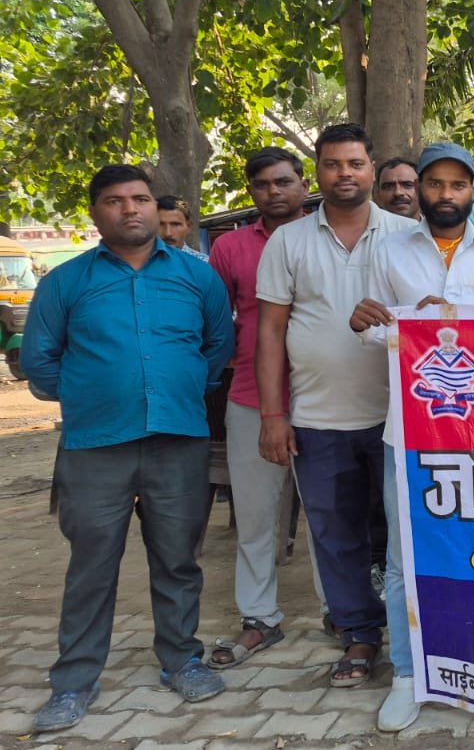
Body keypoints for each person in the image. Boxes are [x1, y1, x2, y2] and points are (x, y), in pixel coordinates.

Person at [22, 164, 234, 731]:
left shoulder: (196, 278)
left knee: (178, 559)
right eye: (115, 201)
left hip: (177, 440)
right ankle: (74, 681)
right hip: (95, 445)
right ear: (96, 212)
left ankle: (181, 660)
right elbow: (39, 361)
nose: (130, 209)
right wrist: (93, 393)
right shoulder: (65, 282)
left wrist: (182, 384)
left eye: (139, 198)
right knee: (91, 565)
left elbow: (217, 345)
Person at [348, 141, 474, 731]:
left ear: (473, 190)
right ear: (419, 188)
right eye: (435, 184)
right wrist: (394, 325)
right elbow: (376, 330)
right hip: (411, 431)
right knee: (405, 555)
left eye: (457, 184)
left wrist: (452, 320)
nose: (445, 194)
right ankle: (407, 674)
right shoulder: (389, 252)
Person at [255, 123, 413, 688]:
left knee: (404, 538)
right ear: (316, 173)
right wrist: (273, 416)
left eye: (355, 163)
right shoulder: (288, 241)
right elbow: (270, 332)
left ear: (372, 169)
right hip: (318, 419)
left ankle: (416, 640)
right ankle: (359, 636)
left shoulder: (408, 236)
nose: (344, 173)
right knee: (337, 536)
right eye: (332, 164)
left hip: (399, 418)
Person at [205, 147, 323, 671]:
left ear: (303, 184)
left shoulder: (327, 237)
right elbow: (216, 320)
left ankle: (338, 613)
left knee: (329, 518)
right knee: (255, 517)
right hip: (253, 398)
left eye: (283, 181)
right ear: (251, 192)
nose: (273, 192)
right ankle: (259, 616)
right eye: (262, 184)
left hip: (325, 399)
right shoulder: (229, 247)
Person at [156, 195, 208, 260]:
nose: (168, 233)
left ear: (188, 227)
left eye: (175, 224)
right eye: (160, 225)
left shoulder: (203, 263)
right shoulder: (143, 262)